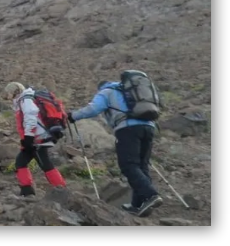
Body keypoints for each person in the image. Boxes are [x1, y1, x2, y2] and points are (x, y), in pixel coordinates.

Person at [68, 80, 162, 217]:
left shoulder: (106, 92)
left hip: (128, 129)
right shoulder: (130, 92)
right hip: (149, 127)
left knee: (128, 165)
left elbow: (94, 109)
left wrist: (73, 115)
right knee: (142, 165)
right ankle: (138, 205)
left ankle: (151, 195)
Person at [3, 82, 66, 197]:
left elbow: (30, 118)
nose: (7, 96)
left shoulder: (25, 100)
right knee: (21, 161)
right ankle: (27, 191)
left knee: (44, 163)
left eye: (8, 93)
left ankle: (61, 190)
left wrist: (28, 137)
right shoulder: (23, 99)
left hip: (37, 138)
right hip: (35, 137)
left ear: (14, 92)